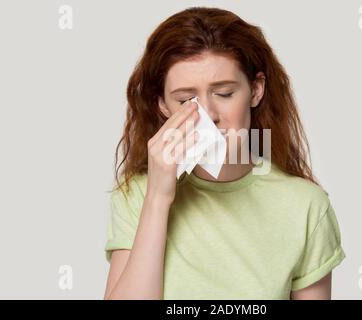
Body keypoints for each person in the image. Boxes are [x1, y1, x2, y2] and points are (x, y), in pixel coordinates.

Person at [103, 6, 346, 300]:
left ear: (255, 91)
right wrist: (158, 198)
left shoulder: (306, 206)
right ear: (163, 106)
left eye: (224, 93)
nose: (209, 115)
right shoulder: (137, 196)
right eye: (185, 99)